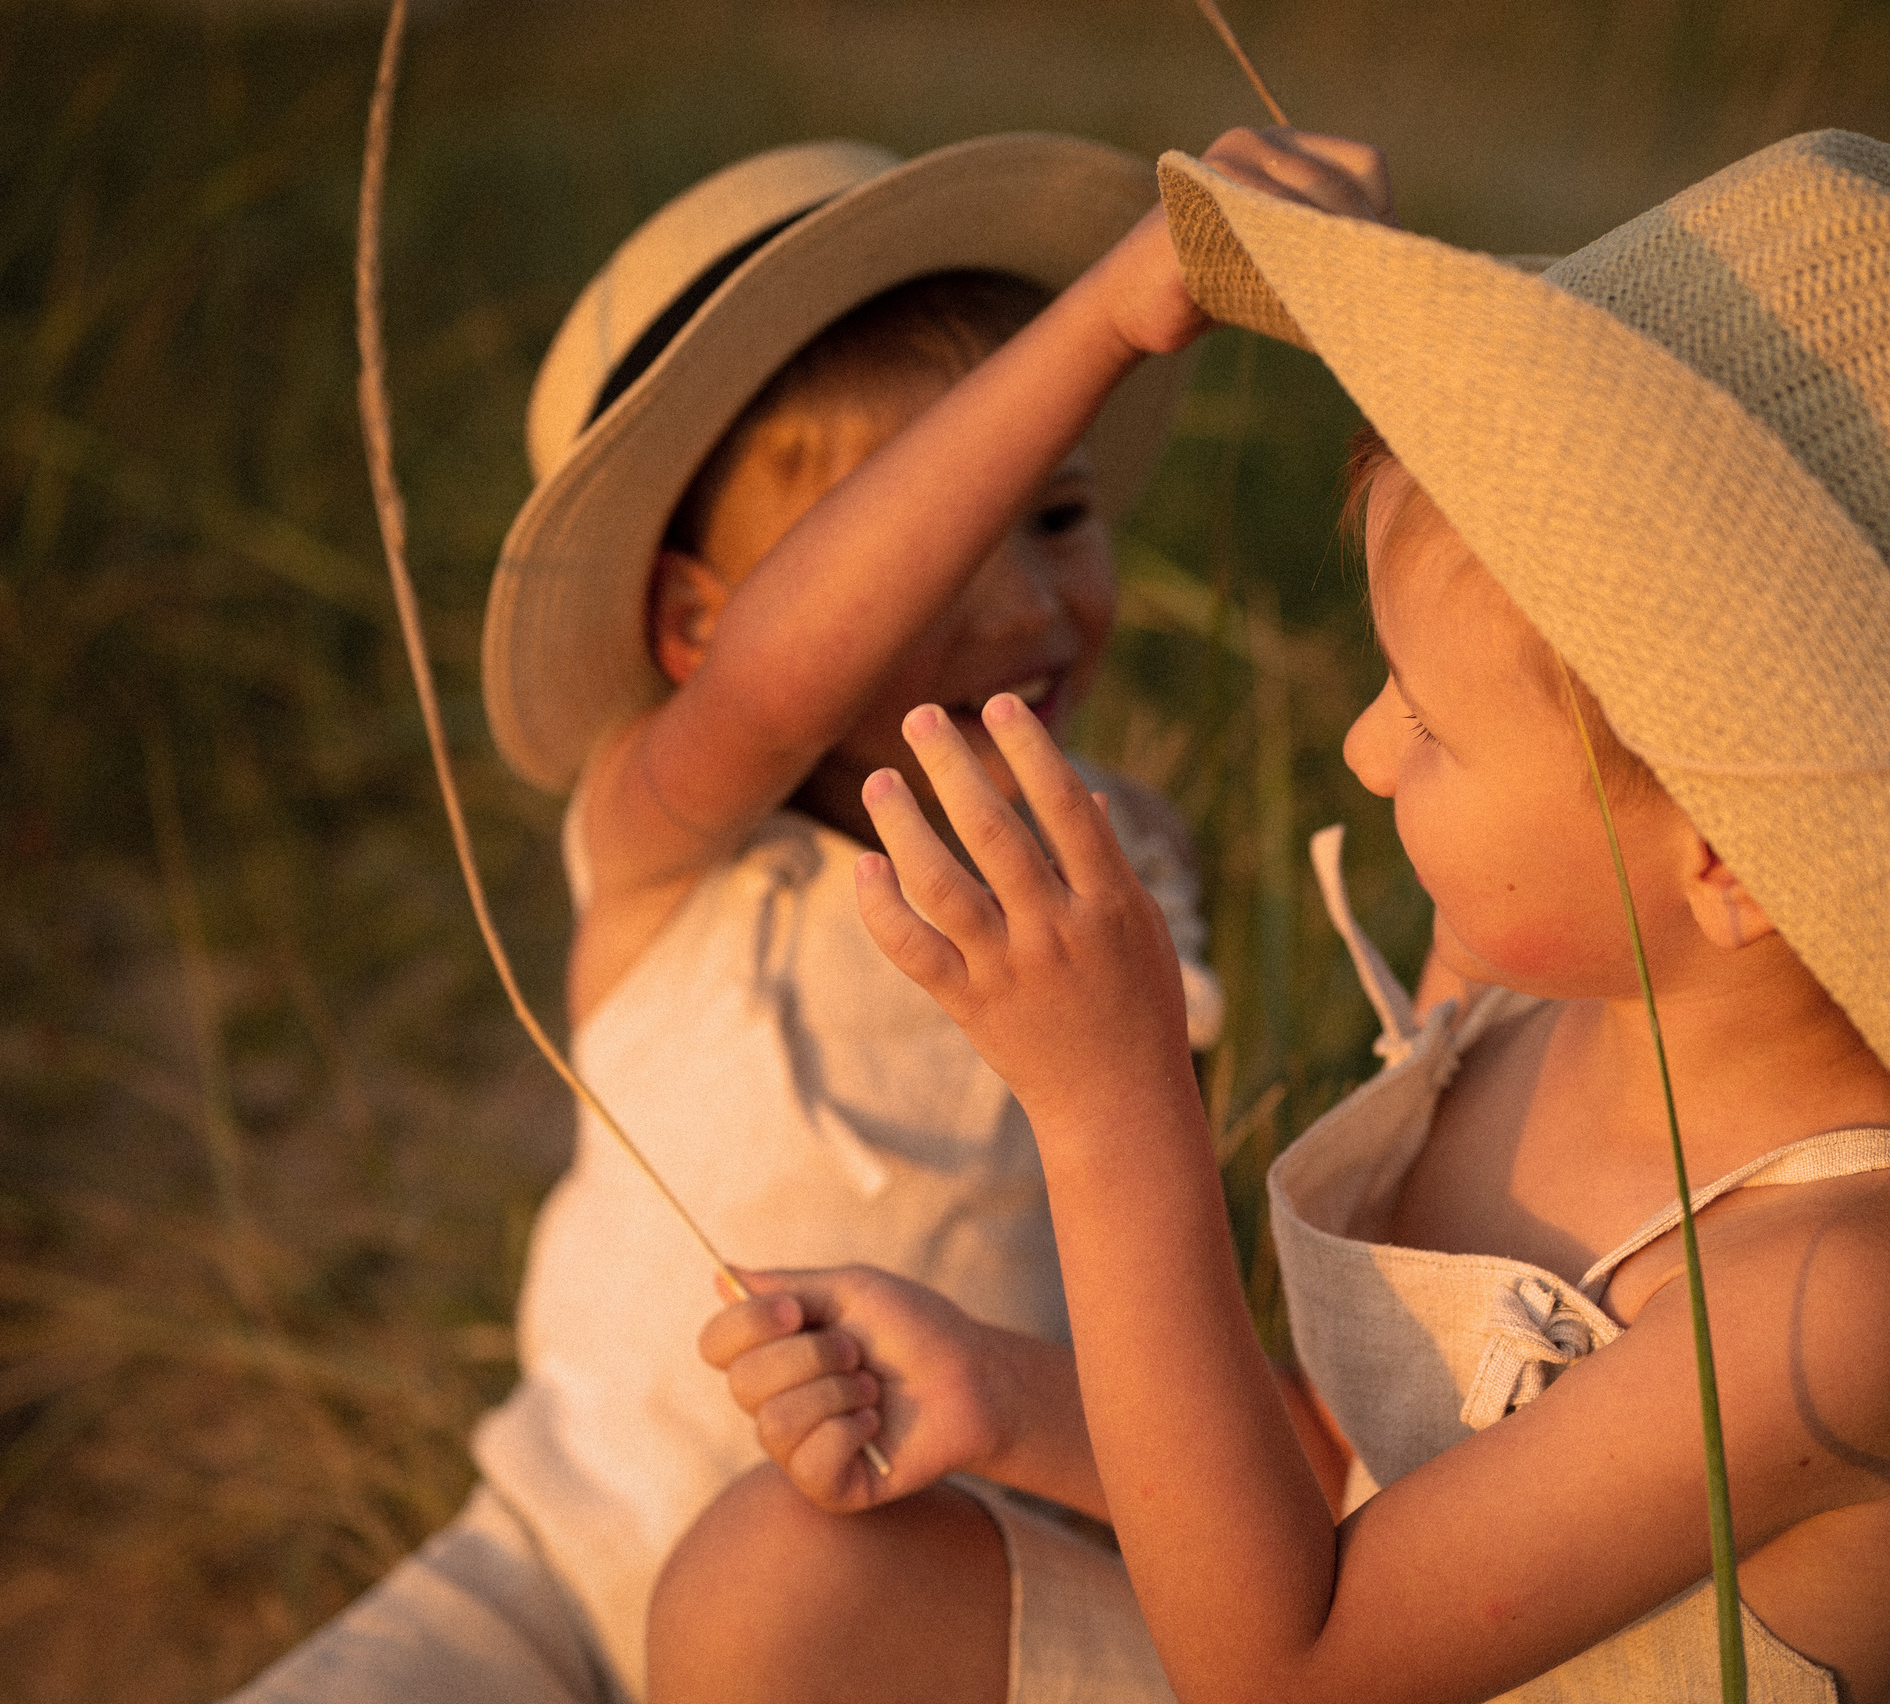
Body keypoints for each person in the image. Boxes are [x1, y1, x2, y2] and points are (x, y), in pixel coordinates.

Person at [647, 124, 1890, 1704]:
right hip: (1297, 1626)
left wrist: (1109, 1099)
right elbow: (1349, 1476)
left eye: (1427, 714)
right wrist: (998, 1393)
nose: (1362, 747)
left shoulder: (1840, 1295)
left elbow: (1291, 1666)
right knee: (774, 1589)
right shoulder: (1518, 1021)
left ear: (1730, 861)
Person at [225, 133, 1222, 1704]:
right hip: (552, 1575)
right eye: (942, 549)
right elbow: (783, 681)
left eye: (1060, 514)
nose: (1032, 607)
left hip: (900, 1602)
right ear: (694, 620)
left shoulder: (1126, 866)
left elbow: (1168, 1272)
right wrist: (1094, 326)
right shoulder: (671, 836)